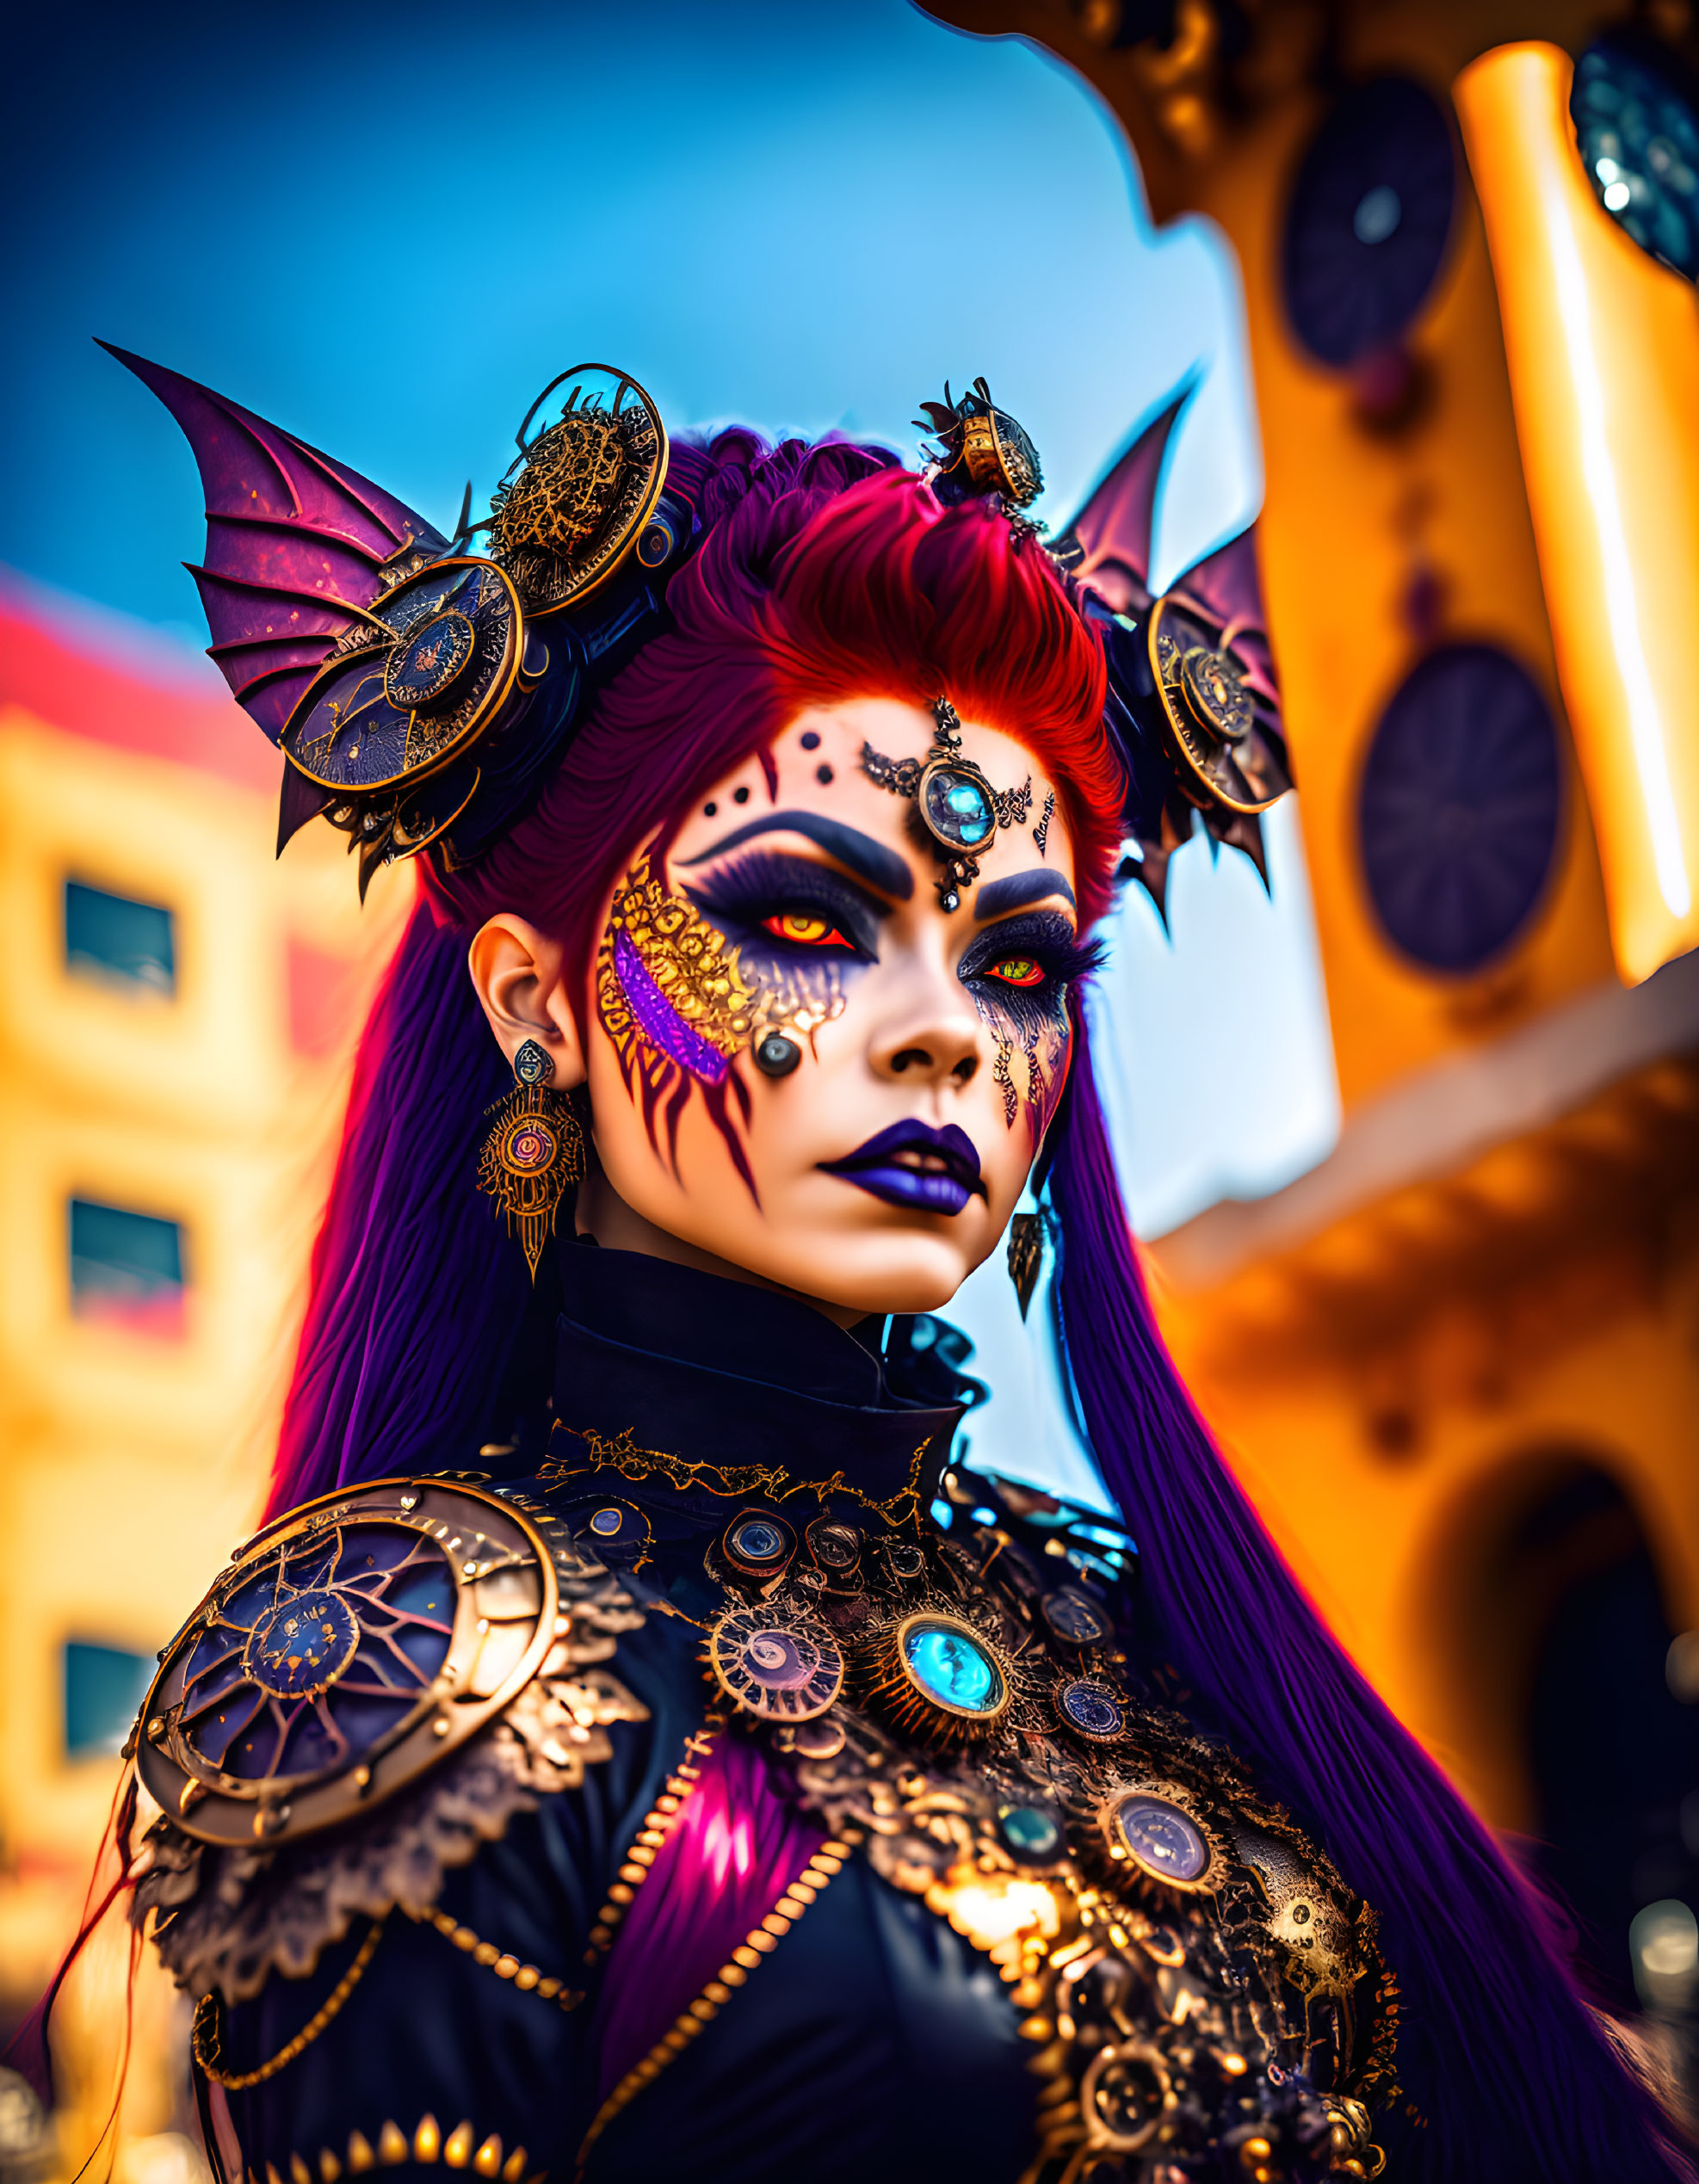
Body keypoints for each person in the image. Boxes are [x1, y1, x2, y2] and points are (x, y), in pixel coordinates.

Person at [76, 354, 1690, 2184]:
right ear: (536, 999)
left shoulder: (1135, 1624)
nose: (940, 1038)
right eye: (802, 920)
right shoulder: (401, 1675)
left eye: (1017, 964)